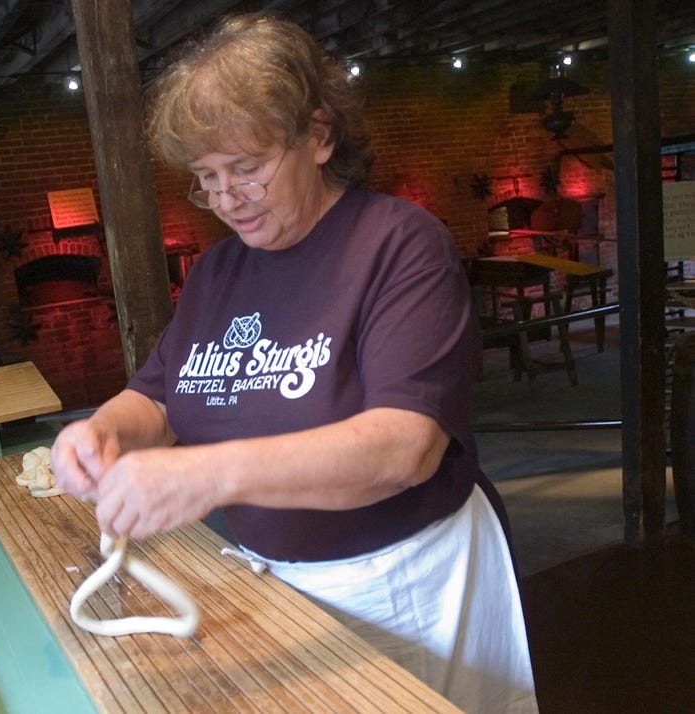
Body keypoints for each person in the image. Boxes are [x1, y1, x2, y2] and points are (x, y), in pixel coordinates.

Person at [51, 13, 538, 713]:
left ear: (317, 134)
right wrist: (102, 431)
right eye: (205, 179)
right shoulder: (219, 273)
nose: (225, 200)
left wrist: (209, 475)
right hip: (277, 584)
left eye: (246, 169)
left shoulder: (398, 245)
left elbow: (405, 448)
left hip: (407, 579)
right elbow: (159, 398)